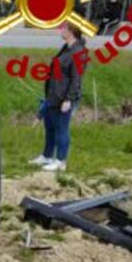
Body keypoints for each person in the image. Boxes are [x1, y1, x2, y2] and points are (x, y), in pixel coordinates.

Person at [31, 24, 86, 172]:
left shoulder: (79, 52)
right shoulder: (66, 48)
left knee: (61, 129)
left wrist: (69, 99)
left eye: (63, 28)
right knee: (50, 127)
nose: (60, 31)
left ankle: (61, 161)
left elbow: (77, 79)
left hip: (64, 98)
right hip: (53, 95)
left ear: (72, 31)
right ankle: (47, 156)